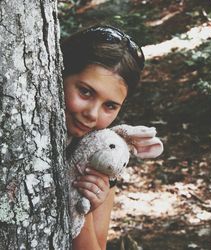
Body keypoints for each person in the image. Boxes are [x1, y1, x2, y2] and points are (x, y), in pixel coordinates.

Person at [61, 25, 163, 250]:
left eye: (109, 106)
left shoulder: (101, 161)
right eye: (85, 92)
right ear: (59, 72)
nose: (92, 114)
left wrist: (83, 208)